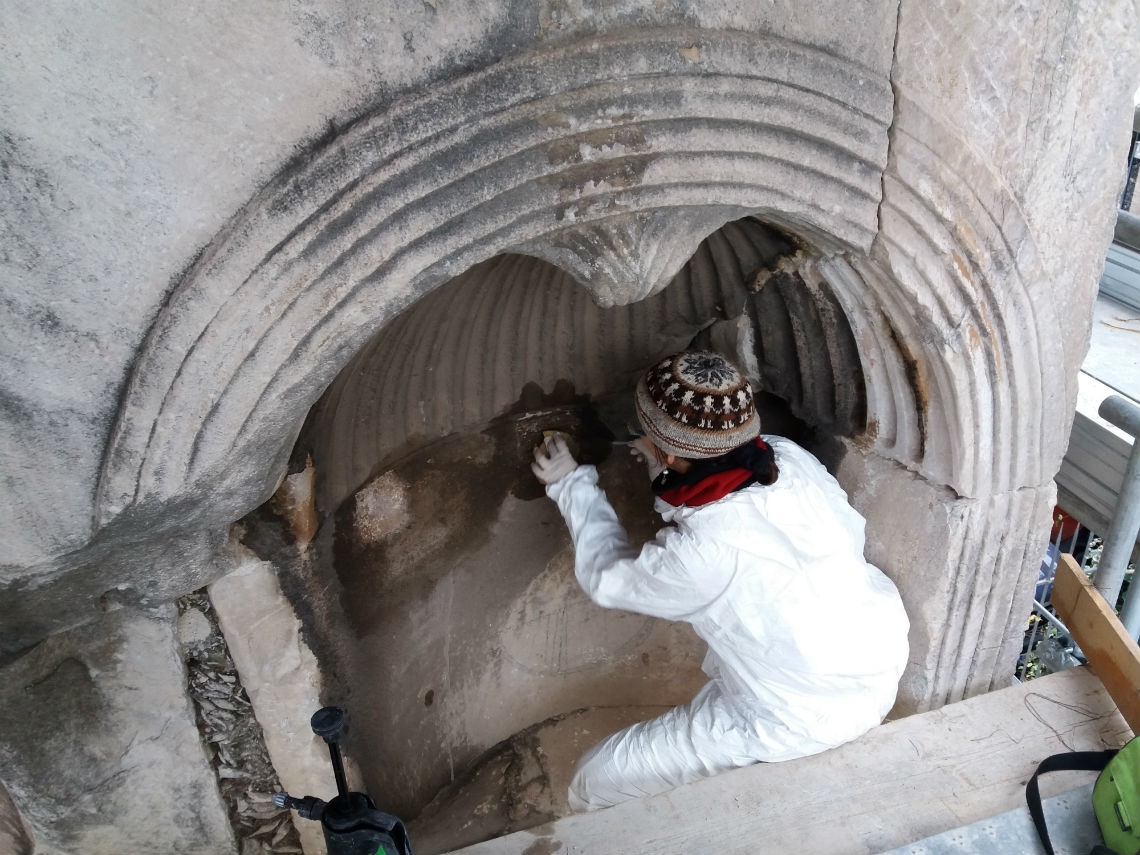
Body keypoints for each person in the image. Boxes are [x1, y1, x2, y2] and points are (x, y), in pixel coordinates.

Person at [531, 350, 910, 812]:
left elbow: (608, 579)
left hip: (802, 711)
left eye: (644, 434)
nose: (638, 441)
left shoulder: (706, 557)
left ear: (669, 451)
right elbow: (706, 494)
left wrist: (571, 484)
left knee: (597, 779)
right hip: (872, 653)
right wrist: (661, 462)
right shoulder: (788, 458)